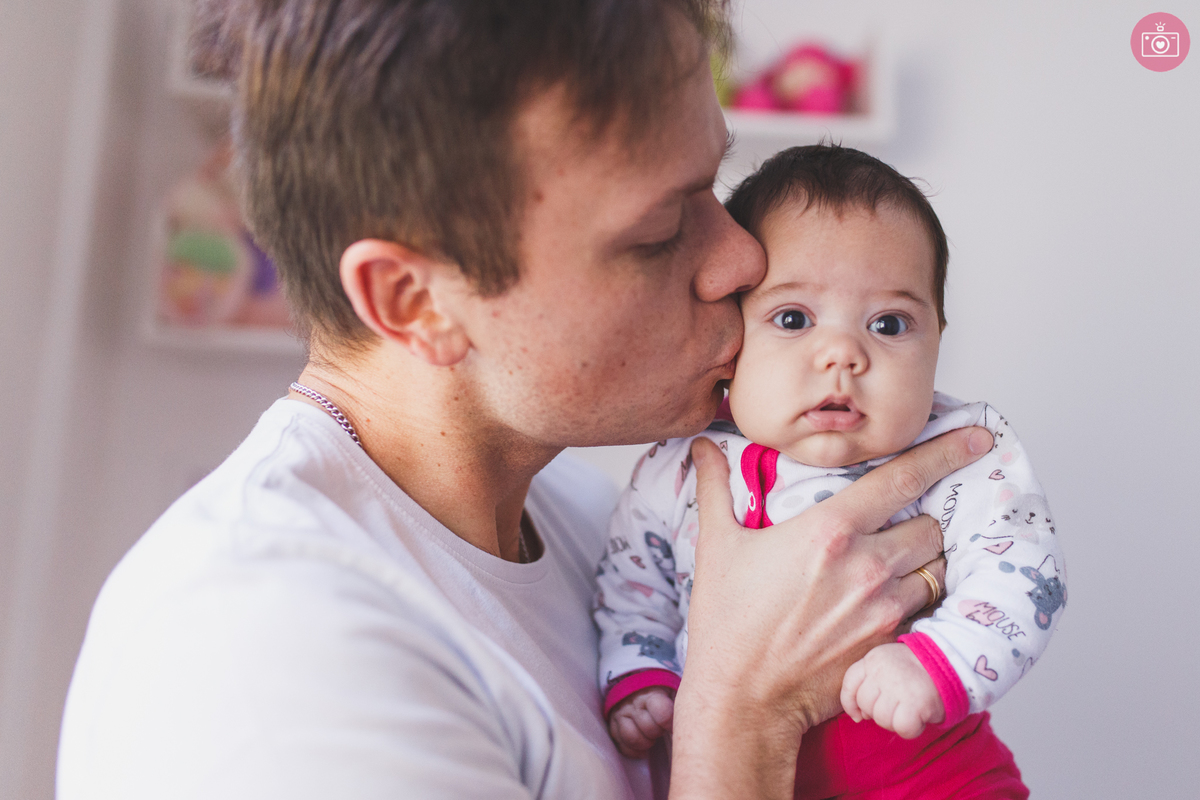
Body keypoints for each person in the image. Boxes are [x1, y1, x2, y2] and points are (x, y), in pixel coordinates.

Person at [56, 3, 994, 798]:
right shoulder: (259, 654)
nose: (743, 258)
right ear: (415, 300)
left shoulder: (603, 525)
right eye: (663, 226)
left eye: (717, 186)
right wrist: (742, 716)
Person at [595, 145, 1065, 798]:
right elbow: (632, 585)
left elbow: (1025, 572)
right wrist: (640, 671)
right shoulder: (680, 464)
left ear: (938, 337)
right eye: (793, 319)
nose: (843, 354)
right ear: (730, 333)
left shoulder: (964, 450)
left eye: (890, 324)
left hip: (933, 773)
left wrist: (936, 664)